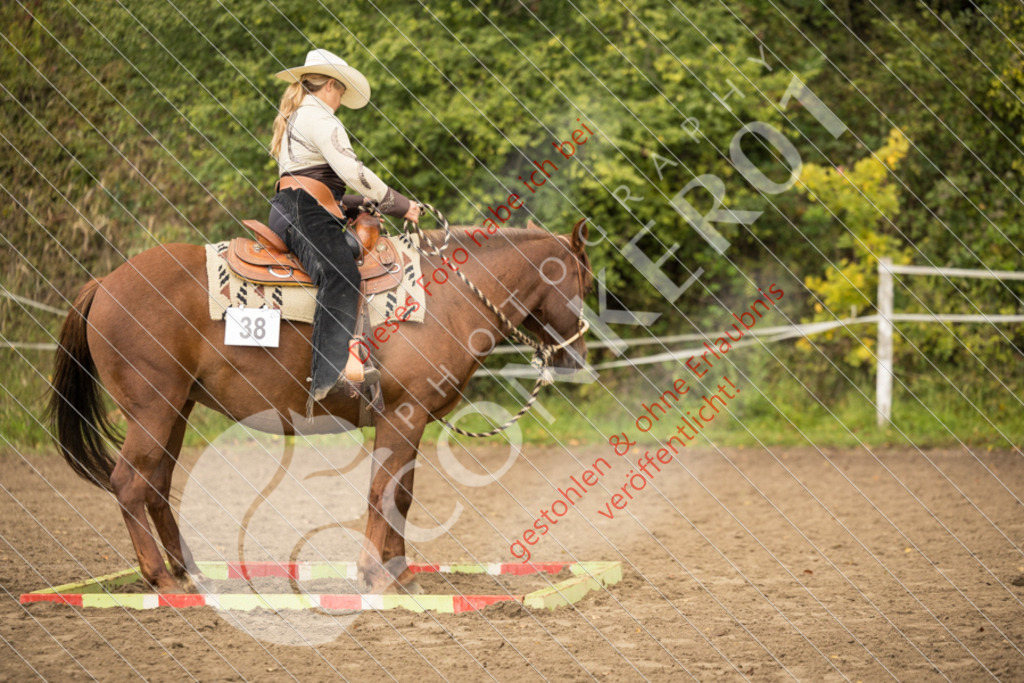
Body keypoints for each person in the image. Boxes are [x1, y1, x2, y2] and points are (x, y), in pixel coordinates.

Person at [267, 49, 420, 407]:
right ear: (331, 85)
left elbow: (313, 182)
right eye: (341, 91)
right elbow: (354, 172)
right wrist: (401, 205)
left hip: (300, 207)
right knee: (341, 273)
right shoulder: (320, 118)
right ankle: (329, 376)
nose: (340, 100)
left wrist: (354, 204)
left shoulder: (300, 115)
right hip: (304, 210)